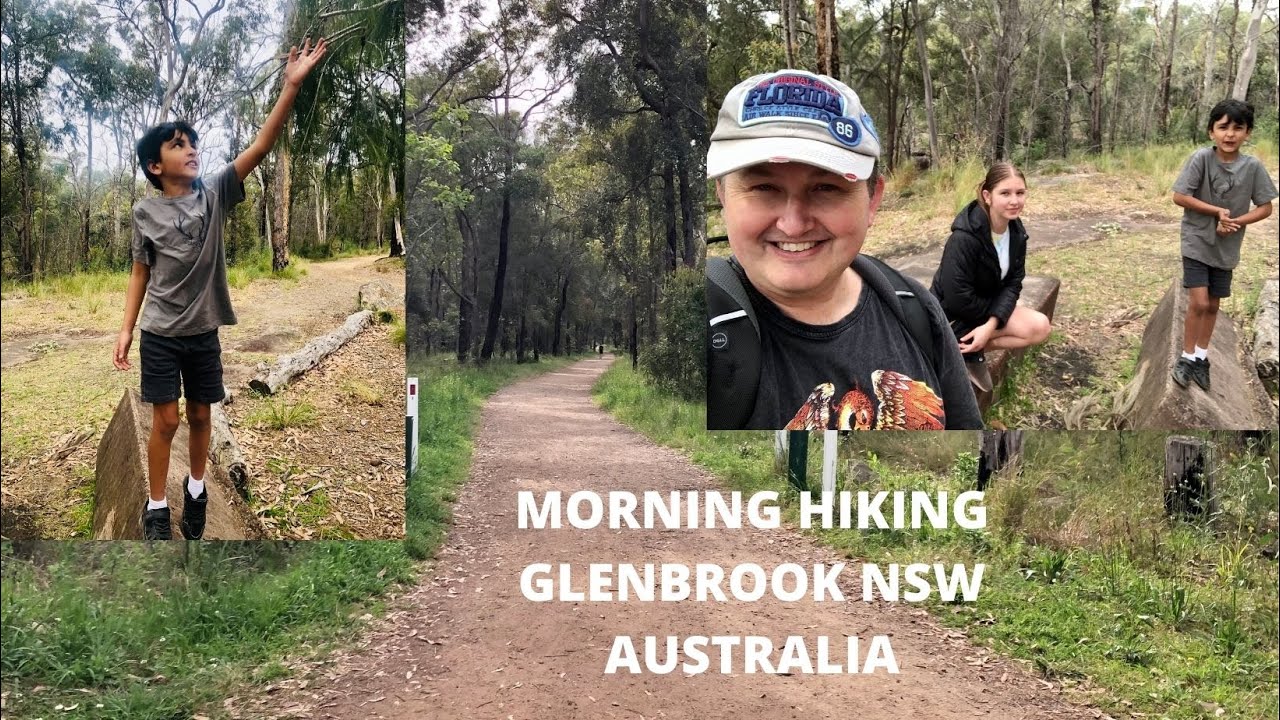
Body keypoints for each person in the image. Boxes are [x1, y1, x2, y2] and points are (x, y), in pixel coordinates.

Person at [114, 38, 328, 540]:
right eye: (177, 145)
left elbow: (260, 146)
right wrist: (125, 330)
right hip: (161, 333)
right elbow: (140, 273)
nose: (191, 150)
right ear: (154, 166)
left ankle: (195, 489)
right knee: (165, 420)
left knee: (202, 415)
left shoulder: (213, 193)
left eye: (192, 143)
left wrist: (290, 87)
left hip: (204, 330)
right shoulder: (144, 213)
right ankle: (157, 506)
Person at [706, 70, 982, 431]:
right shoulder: (700, 323)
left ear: (872, 201)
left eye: (826, 187)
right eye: (763, 187)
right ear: (723, 196)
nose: (793, 224)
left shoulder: (913, 306)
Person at [1170, 99, 1276, 392]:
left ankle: (1202, 359)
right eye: (1223, 127)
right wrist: (1216, 212)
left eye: (1238, 128)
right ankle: (1186, 356)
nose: (1230, 134)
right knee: (1199, 302)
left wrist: (1237, 221)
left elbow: (1266, 207)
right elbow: (1180, 196)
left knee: (1214, 305)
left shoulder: (1253, 167)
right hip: (1196, 240)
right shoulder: (1201, 159)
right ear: (1211, 132)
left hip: (1227, 247)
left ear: (1248, 133)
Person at [929, 162, 1051, 392]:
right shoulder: (964, 239)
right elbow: (958, 299)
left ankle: (970, 352)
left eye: (1020, 193)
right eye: (1005, 193)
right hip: (951, 316)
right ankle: (953, 349)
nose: (1014, 201)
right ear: (988, 196)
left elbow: (1014, 282)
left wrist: (991, 325)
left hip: (984, 308)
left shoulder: (1016, 232)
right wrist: (994, 315)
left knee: (1040, 327)